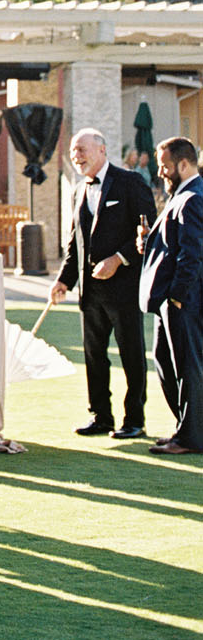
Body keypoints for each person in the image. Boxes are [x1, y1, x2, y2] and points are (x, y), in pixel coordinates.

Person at [50, 127, 156, 439]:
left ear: (102, 150)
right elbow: (76, 245)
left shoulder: (131, 182)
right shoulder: (77, 190)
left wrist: (119, 260)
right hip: (90, 292)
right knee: (94, 356)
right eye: (73, 151)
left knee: (131, 355)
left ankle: (134, 419)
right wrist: (63, 282)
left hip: (124, 289)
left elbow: (147, 231)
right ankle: (101, 416)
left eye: (81, 149)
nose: (76, 156)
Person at [139, 136, 203, 455]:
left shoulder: (193, 197)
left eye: (165, 166)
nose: (160, 172)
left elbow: (193, 254)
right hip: (172, 300)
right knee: (167, 363)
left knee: (187, 367)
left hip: (185, 301)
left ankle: (191, 438)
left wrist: (177, 296)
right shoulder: (181, 195)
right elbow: (174, 245)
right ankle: (185, 429)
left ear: (183, 164)